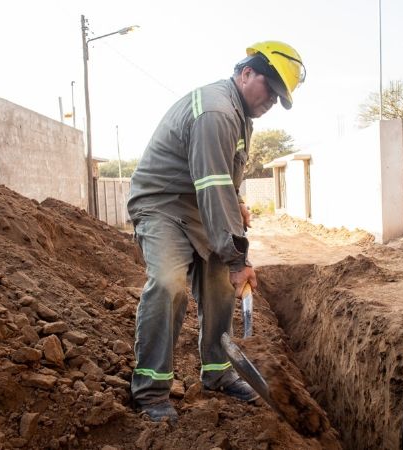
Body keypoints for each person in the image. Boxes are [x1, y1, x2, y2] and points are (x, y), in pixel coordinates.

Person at [126, 41, 306, 422]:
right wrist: (239, 260)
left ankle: (218, 374)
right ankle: (152, 390)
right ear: (246, 73)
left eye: (279, 97)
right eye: (270, 89)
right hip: (162, 204)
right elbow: (213, 190)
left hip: (196, 205)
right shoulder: (217, 112)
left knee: (221, 286)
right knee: (169, 282)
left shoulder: (241, 116)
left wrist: (236, 200)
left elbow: (220, 179)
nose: (272, 101)